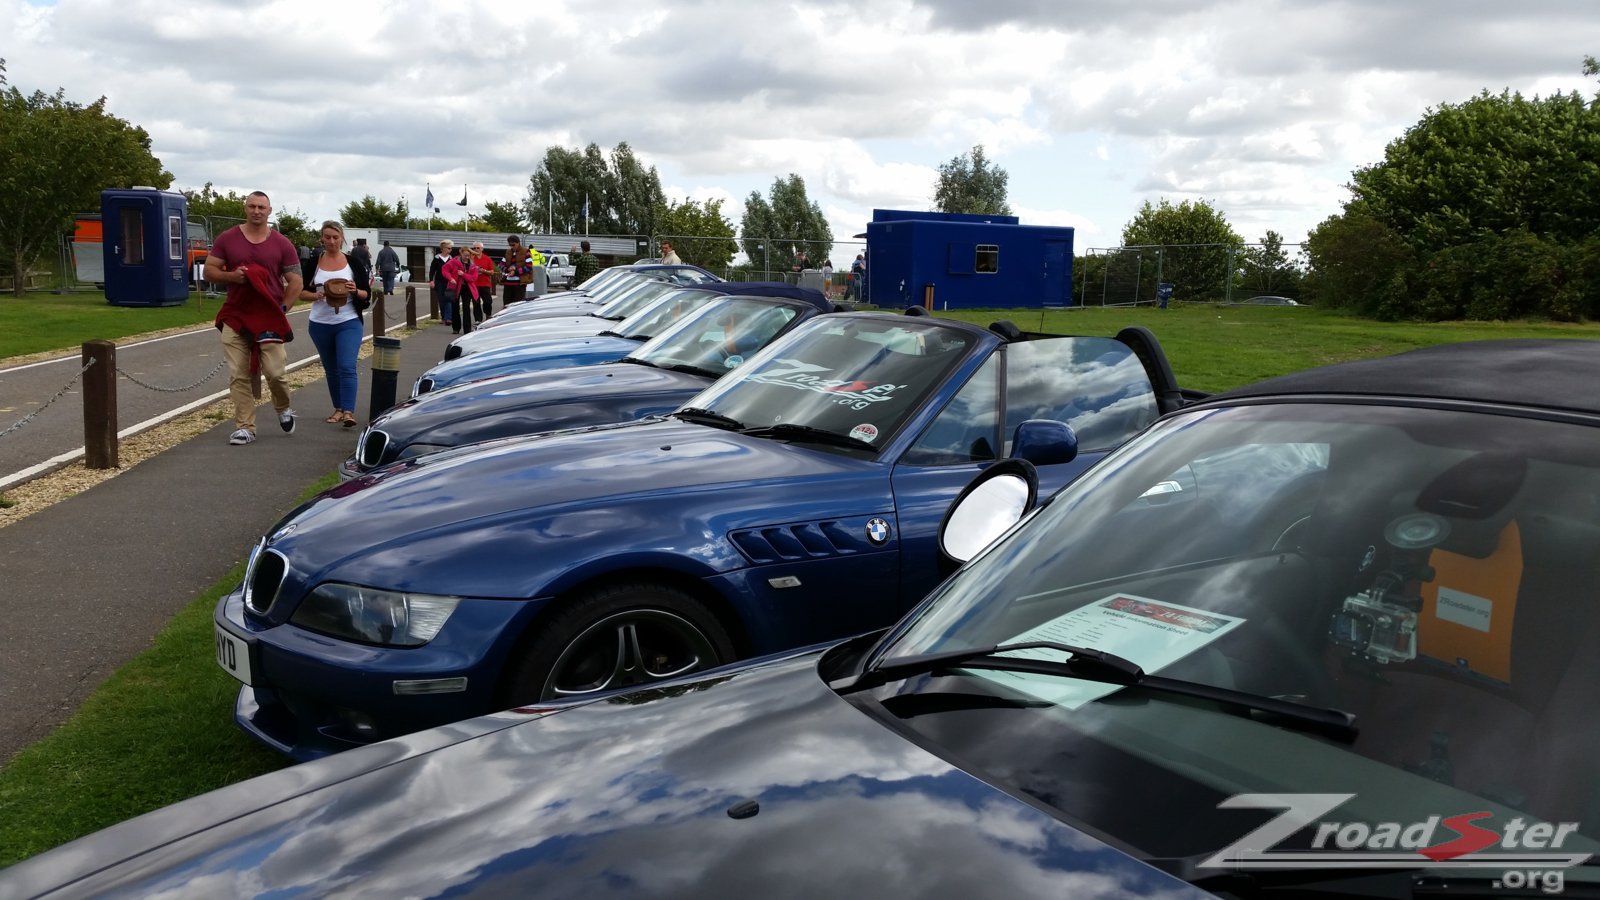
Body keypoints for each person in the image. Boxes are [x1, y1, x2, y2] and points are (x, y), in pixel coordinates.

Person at [202, 190, 303, 446]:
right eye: (252, 206)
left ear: (269, 211)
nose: (256, 211)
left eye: (261, 207)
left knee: (275, 372)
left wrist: (283, 308)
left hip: (269, 316)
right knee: (238, 372)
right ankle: (245, 426)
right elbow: (209, 271)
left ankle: (283, 407)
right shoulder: (228, 239)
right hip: (236, 314)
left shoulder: (282, 243)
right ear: (245, 209)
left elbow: (296, 280)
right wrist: (231, 277)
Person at [298, 220, 370, 427]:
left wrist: (355, 290)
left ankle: (348, 411)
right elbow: (301, 292)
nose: (331, 241)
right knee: (331, 368)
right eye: (327, 237)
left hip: (348, 321)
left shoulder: (353, 263)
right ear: (322, 238)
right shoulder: (314, 262)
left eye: (335, 237)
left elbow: (367, 294)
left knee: (347, 365)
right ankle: (338, 408)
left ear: (342, 238)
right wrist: (316, 295)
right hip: (320, 323)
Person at [441, 245, 480, 335]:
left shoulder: (472, 265)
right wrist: (450, 278)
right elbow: (444, 269)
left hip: (467, 288)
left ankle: (467, 329)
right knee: (455, 308)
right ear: (461, 253)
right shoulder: (454, 262)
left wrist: (463, 274)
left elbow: (473, 278)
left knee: (466, 308)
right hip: (455, 287)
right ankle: (456, 328)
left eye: (468, 255)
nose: (467, 257)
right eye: (465, 255)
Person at [499, 235, 533, 305]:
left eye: (513, 245)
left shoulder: (526, 252)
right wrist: (507, 270)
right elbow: (501, 264)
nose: (511, 247)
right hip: (507, 283)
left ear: (518, 243)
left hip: (520, 284)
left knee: (518, 305)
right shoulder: (508, 252)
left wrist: (515, 272)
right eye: (510, 245)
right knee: (506, 305)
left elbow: (529, 267)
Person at [429, 239, 454, 328]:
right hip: (439, 282)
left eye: (451, 248)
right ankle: (443, 317)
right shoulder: (436, 258)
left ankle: (448, 318)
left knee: (448, 299)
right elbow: (432, 270)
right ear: (443, 248)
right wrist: (431, 280)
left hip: (449, 282)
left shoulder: (452, 259)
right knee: (441, 300)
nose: (450, 250)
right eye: (448, 248)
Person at [470, 242, 494, 319]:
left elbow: (491, 272)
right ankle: (478, 319)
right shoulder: (471, 258)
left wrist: (484, 271)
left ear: (482, 249)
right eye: (474, 248)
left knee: (488, 301)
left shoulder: (487, 258)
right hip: (474, 284)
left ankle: (488, 314)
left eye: (478, 248)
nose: (476, 249)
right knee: (476, 303)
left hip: (485, 284)